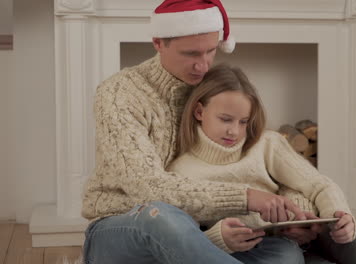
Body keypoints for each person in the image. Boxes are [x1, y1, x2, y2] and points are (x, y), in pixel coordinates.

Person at [167, 63, 356, 264]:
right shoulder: (183, 171)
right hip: (266, 246)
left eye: (243, 121)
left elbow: (319, 184)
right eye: (225, 120)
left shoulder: (266, 143)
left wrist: (340, 216)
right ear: (198, 111)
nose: (235, 131)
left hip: (316, 227)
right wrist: (218, 238)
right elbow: (184, 236)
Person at [81, 0, 308, 263]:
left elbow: (266, 162)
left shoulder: (212, 91)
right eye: (190, 54)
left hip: (201, 228)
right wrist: (245, 197)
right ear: (158, 42)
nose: (202, 65)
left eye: (210, 51)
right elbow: (147, 188)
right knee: (161, 215)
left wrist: (289, 211)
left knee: (286, 254)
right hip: (124, 227)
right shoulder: (119, 93)